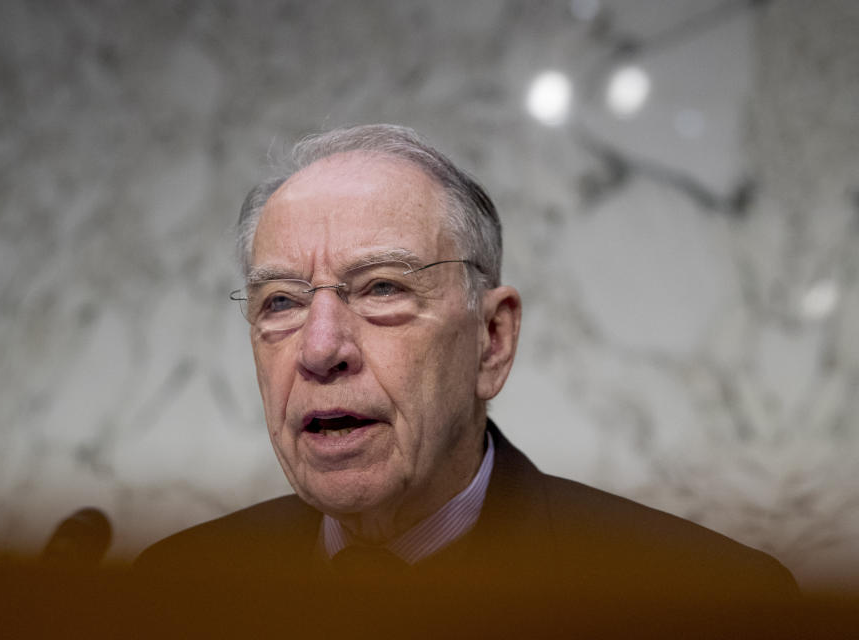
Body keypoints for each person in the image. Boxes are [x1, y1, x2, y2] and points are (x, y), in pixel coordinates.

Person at [135, 124, 799, 636]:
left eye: (382, 289)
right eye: (280, 302)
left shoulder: (701, 605)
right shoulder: (172, 593)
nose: (320, 348)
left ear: (492, 341)